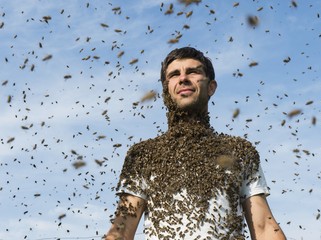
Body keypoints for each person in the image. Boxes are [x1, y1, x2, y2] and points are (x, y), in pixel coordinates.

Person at [105, 47, 286, 240]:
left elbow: (264, 227)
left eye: (193, 71)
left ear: (211, 87)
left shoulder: (239, 152)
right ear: (166, 89)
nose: (183, 78)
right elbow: (122, 230)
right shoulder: (142, 155)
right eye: (174, 74)